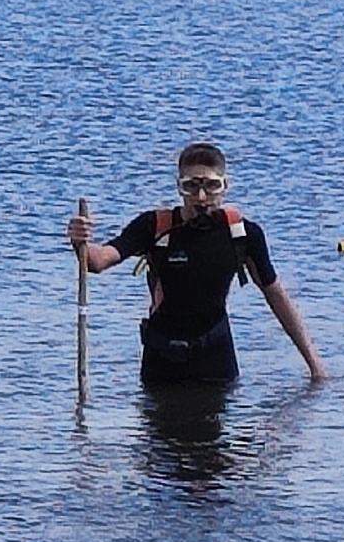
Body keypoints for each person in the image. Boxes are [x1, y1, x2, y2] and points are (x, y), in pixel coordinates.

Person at [67, 141, 328, 386]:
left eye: (211, 186)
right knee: (160, 433)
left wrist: (315, 366)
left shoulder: (243, 234)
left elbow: (276, 295)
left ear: (225, 186)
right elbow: (98, 261)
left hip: (216, 359)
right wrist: (80, 241)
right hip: (161, 361)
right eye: (191, 186)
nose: (201, 197)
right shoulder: (155, 226)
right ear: (179, 187)